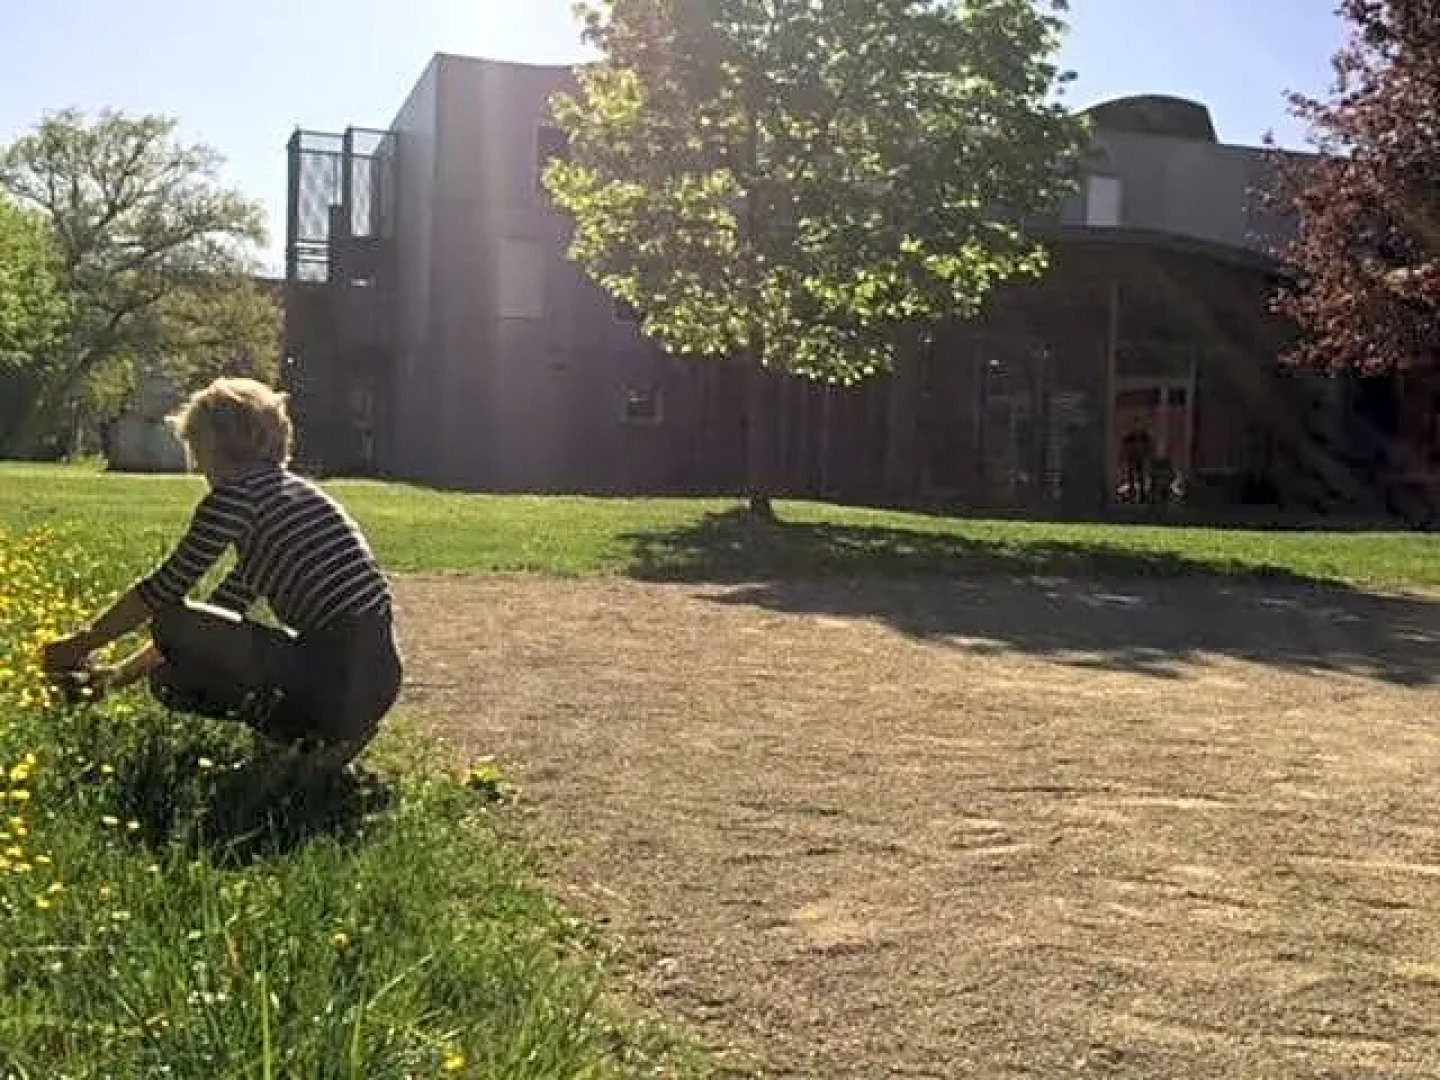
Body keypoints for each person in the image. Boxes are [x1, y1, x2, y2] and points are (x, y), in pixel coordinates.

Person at [40, 377, 403, 767]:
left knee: (170, 624)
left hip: (329, 674)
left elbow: (164, 590)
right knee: (171, 673)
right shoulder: (291, 499)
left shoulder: (234, 497)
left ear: (214, 444)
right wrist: (116, 678)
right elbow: (217, 616)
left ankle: (314, 743)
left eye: (195, 448)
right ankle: (316, 744)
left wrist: (82, 643)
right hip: (375, 680)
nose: (196, 464)